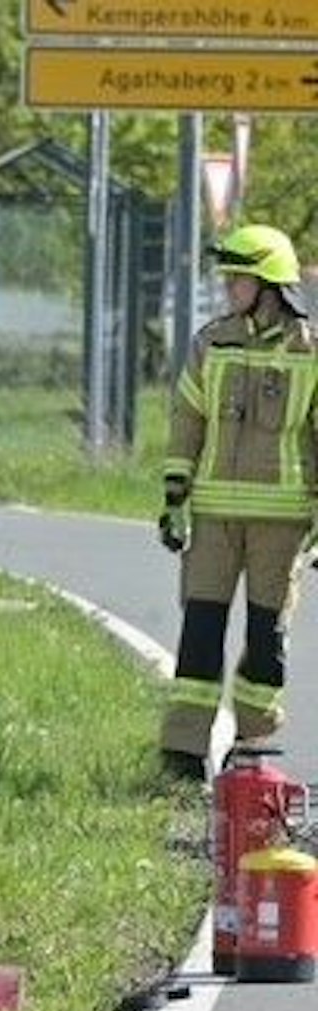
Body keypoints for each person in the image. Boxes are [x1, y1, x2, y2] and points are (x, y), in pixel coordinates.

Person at [159, 223, 318, 782]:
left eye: (238, 277)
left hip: (283, 522)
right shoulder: (212, 343)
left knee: (264, 639)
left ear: (270, 284)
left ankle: (252, 743)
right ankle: (182, 751)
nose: (228, 286)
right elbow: (187, 420)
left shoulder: (311, 349)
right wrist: (174, 494)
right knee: (200, 633)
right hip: (213, 520)